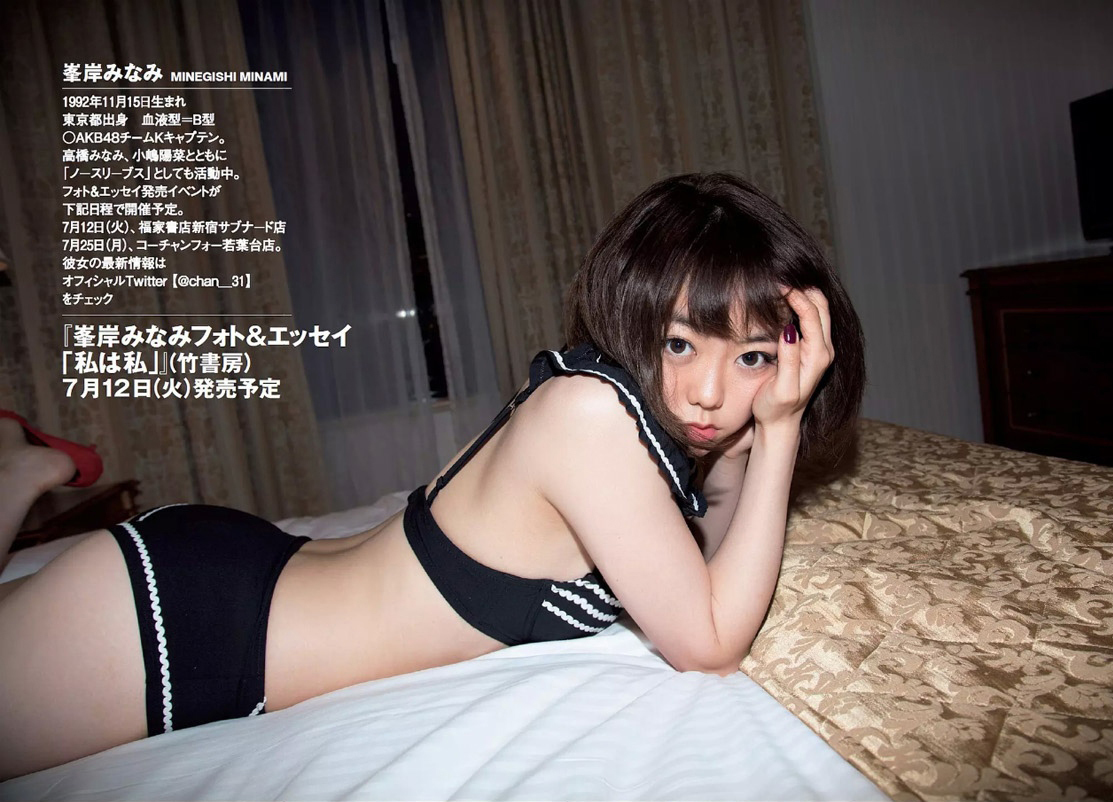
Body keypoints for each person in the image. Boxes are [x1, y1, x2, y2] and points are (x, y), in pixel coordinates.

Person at [0, 172, 865, 779]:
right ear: (635, 320)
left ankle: (18, 468)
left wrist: (748, 441)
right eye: (679, 342)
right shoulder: (590, 417)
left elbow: (707, 553)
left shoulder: (628, 422)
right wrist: (779, 429)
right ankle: (17, 472)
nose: (709, 391)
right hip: (193, 628)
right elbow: (709, 642)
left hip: (242, 574)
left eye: (752, 356)